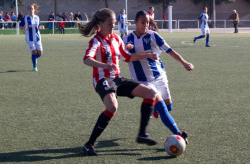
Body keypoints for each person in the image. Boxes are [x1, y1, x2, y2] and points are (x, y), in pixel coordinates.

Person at [78, 8, 188, 156]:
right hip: (103, 79)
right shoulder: (96, 41)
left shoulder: (116, 39)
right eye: (110, 24)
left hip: (117, 79)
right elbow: (87, 59)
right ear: (100, 24)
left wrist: (147, 54)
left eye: (114, 24)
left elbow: (127, 57)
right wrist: (104, 65)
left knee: (150, 93)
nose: (113, 27)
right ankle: (89, 144)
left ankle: (142, 134)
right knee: (112, 107)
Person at [123, 10, 193, 141]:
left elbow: (170, 51)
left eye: (147, 23)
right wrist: (126, 48)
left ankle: (154, 109)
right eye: (143, 22)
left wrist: (184, 62)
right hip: (143, 81)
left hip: (159, 76)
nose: (145, 25)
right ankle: (179, 134)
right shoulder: (126, 40)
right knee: (161, 107)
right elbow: (125, 58)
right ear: (135, 22)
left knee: (168, 107)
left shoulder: (153, 36)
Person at [19, 3, 44, 72]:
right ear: (28, 10)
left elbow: (39, 25)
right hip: (29, 38)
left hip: (37, 37)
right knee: (33, 51)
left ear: (34, 10)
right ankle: (34, 66)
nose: (31, 10)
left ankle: (33, 58)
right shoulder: (25, 18)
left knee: (40, 53)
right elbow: (20, 27)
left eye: (32, 8)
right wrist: (23, 27)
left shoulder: (37, 18)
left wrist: (41, 27)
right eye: (29, 9)